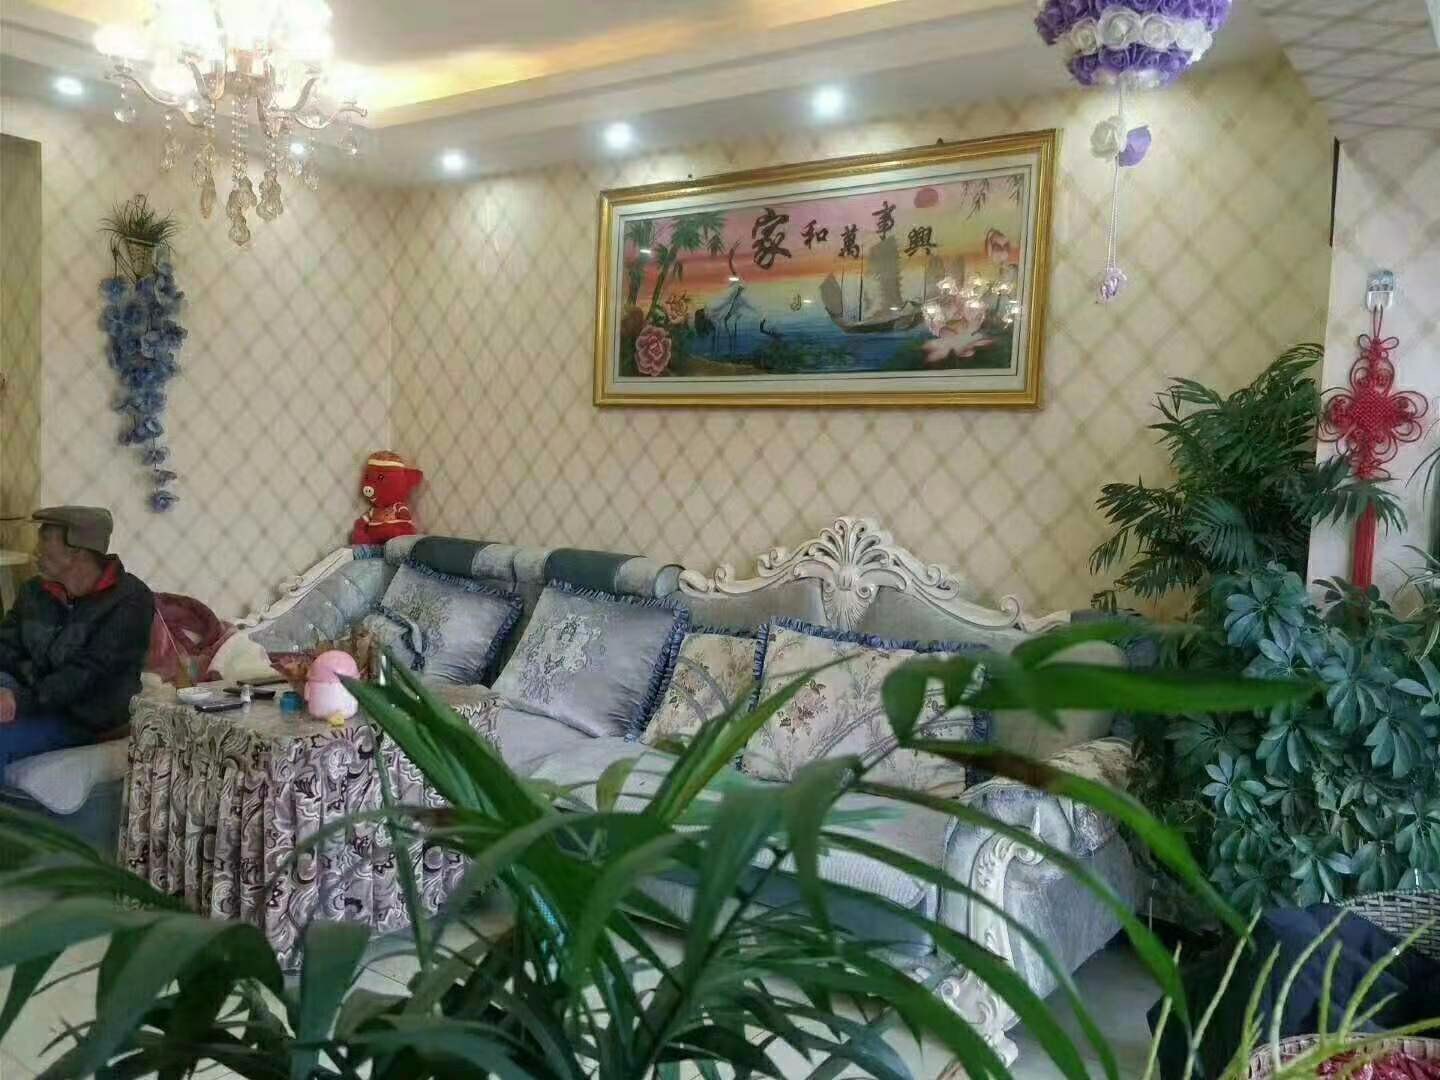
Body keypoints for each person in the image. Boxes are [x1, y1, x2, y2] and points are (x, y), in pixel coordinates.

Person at [0, 507, 154, 772]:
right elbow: (5, 646)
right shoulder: (34, 592)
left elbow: (88, 674)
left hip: (84, 714)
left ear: (77, 552)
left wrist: (20, 700)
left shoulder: (130, 600)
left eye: (45, 539)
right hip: (32, 693)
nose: (36, 549)